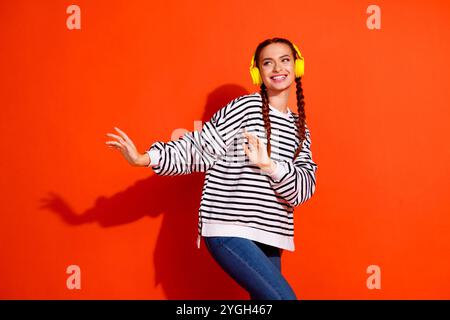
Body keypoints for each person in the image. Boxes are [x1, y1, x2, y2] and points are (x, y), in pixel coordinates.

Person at [105, 37, 318, 300]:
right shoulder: (246, 107)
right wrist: (145, 158)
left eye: (284, 60)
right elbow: (200, 147)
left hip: (273, 235)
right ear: (258, 73)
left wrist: (271, 166)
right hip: (229, 228)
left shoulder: (301, 130)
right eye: (267, 63)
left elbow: (303, 189)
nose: (277, 68)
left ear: (297, 67)